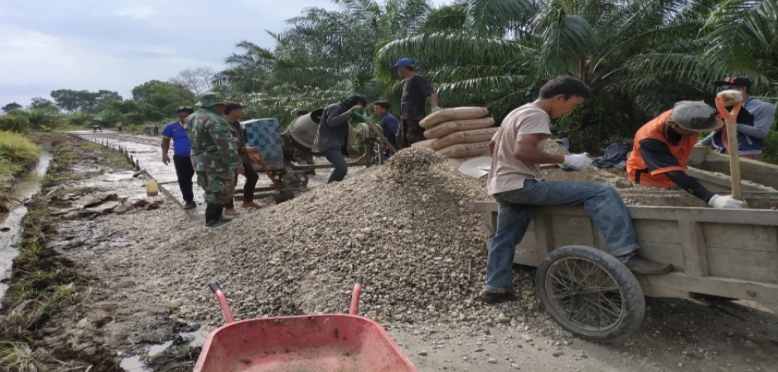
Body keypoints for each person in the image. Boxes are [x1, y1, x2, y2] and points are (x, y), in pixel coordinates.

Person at [483, 76, 672, 304]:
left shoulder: (516, 112)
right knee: (601, 192)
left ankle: (496, 288)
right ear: (559, 97)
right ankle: (625, 254)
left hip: (503, 186)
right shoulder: (536, 114)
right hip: (522, 185)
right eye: (573, 105)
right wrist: (566, 158)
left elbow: (494, 146)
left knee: (504, 238)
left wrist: (548, 163)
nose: (570, 111)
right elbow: (522, 151)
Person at [627, 101, 747, 209]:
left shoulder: (694, 115)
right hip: (649, 181)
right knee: (663, 214)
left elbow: (734, 118)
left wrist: (729, 104)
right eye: (691, 131)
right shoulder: (649, 139)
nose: (696, 133)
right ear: (673, 124)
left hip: (676, 175)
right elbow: (674, 173)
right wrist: (713, 199)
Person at [184, 92, 244, 227]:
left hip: (198, 159)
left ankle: (218, 217)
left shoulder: (190, 118)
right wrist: (236, 164)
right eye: (223, 105)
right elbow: (225, 145)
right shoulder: (215, 119)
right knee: (221, 189)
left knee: (210, 188)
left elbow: (197, 139)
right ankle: (212, 220)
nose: (224, 108)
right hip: (215, 161)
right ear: (217, 105)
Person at [698, 77, 776, 160]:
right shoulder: (726, 105)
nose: (723, 91)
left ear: (742, 89)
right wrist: (701, 144)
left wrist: (733, 125)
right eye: (722, 88)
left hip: (745, 153)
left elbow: (761, 132)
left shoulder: (763, 107)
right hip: (722, 150)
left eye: (727, 88)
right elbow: (721, 128)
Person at [312, 94, 367, 183]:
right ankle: (328, 190)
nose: (358, 107)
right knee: (341, 168)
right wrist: (349, 112)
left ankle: (330, 189)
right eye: (359, 105)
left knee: (341, 168)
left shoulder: (343, 111)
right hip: (329, 144)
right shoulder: (335, 107)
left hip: (334, 144)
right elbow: (331, 122)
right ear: (353, 102)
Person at [223, 102, 263, 215]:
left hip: (242, 157)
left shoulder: (237, 124)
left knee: (253, 176)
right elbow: (228, 144)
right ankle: (229, 208)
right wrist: (247, 150)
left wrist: (248, 154)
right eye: (240, 109)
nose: (242, 112)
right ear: (233, 111)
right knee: (232, 182)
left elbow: (241, 141)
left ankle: (247, 201)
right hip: (231, 158)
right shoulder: (224, 125)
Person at [392, 58, 440, 149]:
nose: (398, 71)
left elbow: (432, 92)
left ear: (402, 68)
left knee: (415, 139)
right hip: (405, 116)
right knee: (401, 140)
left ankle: (422, 159)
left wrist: (434, 107)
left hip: (415, 116)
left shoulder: (417, 78)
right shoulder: (408, 80)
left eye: (398, 68)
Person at [161, 106, 197, 210]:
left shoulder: (199, 125)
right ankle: (189, 201)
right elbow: (165, 142)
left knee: (206, 177)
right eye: (181, 116)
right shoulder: (171, 127)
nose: (184, 118)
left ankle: (211, 198)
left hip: (199, 156)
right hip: (182, 157)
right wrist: (164, 154)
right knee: (184, 179)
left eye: (186, 116)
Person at [291, 109, 315, 176]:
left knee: (297, 155)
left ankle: (306, 168)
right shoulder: (311, 121)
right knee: (309, 155)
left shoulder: (301, 122)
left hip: (302, 142)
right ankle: (312, 169)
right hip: (311, 142)